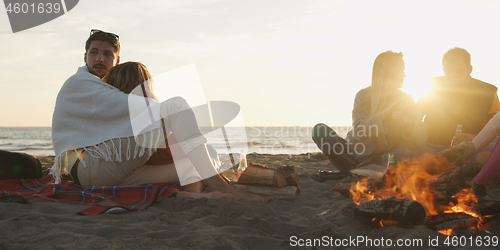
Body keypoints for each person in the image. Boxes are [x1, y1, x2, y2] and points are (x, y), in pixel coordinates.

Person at [50, 29, 264, 200]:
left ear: (116, 60)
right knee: (176, 106)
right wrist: (170, 120)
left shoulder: (104, 89)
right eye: (94, 52)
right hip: (90, 166)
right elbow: (143, 109)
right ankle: (217, 184)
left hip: (107, 175)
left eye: (107, 54)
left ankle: (193, 196)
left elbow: (129, 116)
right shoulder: (79, 83)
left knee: (193, 160)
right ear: (85, 56)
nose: (99, 58)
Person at [312, 51, 427, 175]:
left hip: (384, 158)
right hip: (355, 154)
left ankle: (350, 172)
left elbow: (421, 139)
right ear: (388, 72)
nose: (404, 75)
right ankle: (355, 170)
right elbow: (360, 130)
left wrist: (409, 124)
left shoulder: (406, 100)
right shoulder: (363, 96)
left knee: (407, 153)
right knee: (319, 130)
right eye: (401, 70)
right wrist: (384, 115)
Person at [417, 47, 500, 151]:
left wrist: (475, 136)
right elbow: (415, 117)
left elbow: (497, 127)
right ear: (443, 70)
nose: (452, 76)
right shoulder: (431, 87)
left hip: (473, 147)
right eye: (448, 71)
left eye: (459, 71)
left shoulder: (488, 92)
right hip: (433, 147)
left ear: (469, 69)